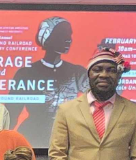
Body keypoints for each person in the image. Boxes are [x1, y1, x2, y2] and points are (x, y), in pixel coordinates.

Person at [8, 16, 90, 145]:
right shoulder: (26, 73)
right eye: (62, 34)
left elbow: (100, 100)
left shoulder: (77, 72)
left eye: (69, 34)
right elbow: (12, 113)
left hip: (69, 138)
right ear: (46, 36)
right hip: (32, 137)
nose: (68, 39)